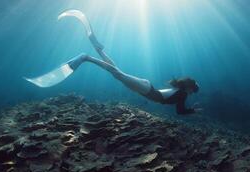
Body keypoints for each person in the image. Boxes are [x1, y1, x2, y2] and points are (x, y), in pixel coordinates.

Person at [25, 10, 200, 115]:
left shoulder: (179, 90)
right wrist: (193, 111)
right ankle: (86, 57)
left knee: (117, 72)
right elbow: (180, 111)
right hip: (148, 90)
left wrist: (190, 105)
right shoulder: (182, 94)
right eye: (193, 90)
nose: (192, 93)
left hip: (147, 88)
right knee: (117, 74)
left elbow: (179, 104)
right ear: (189, 88)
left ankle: (97, 47)